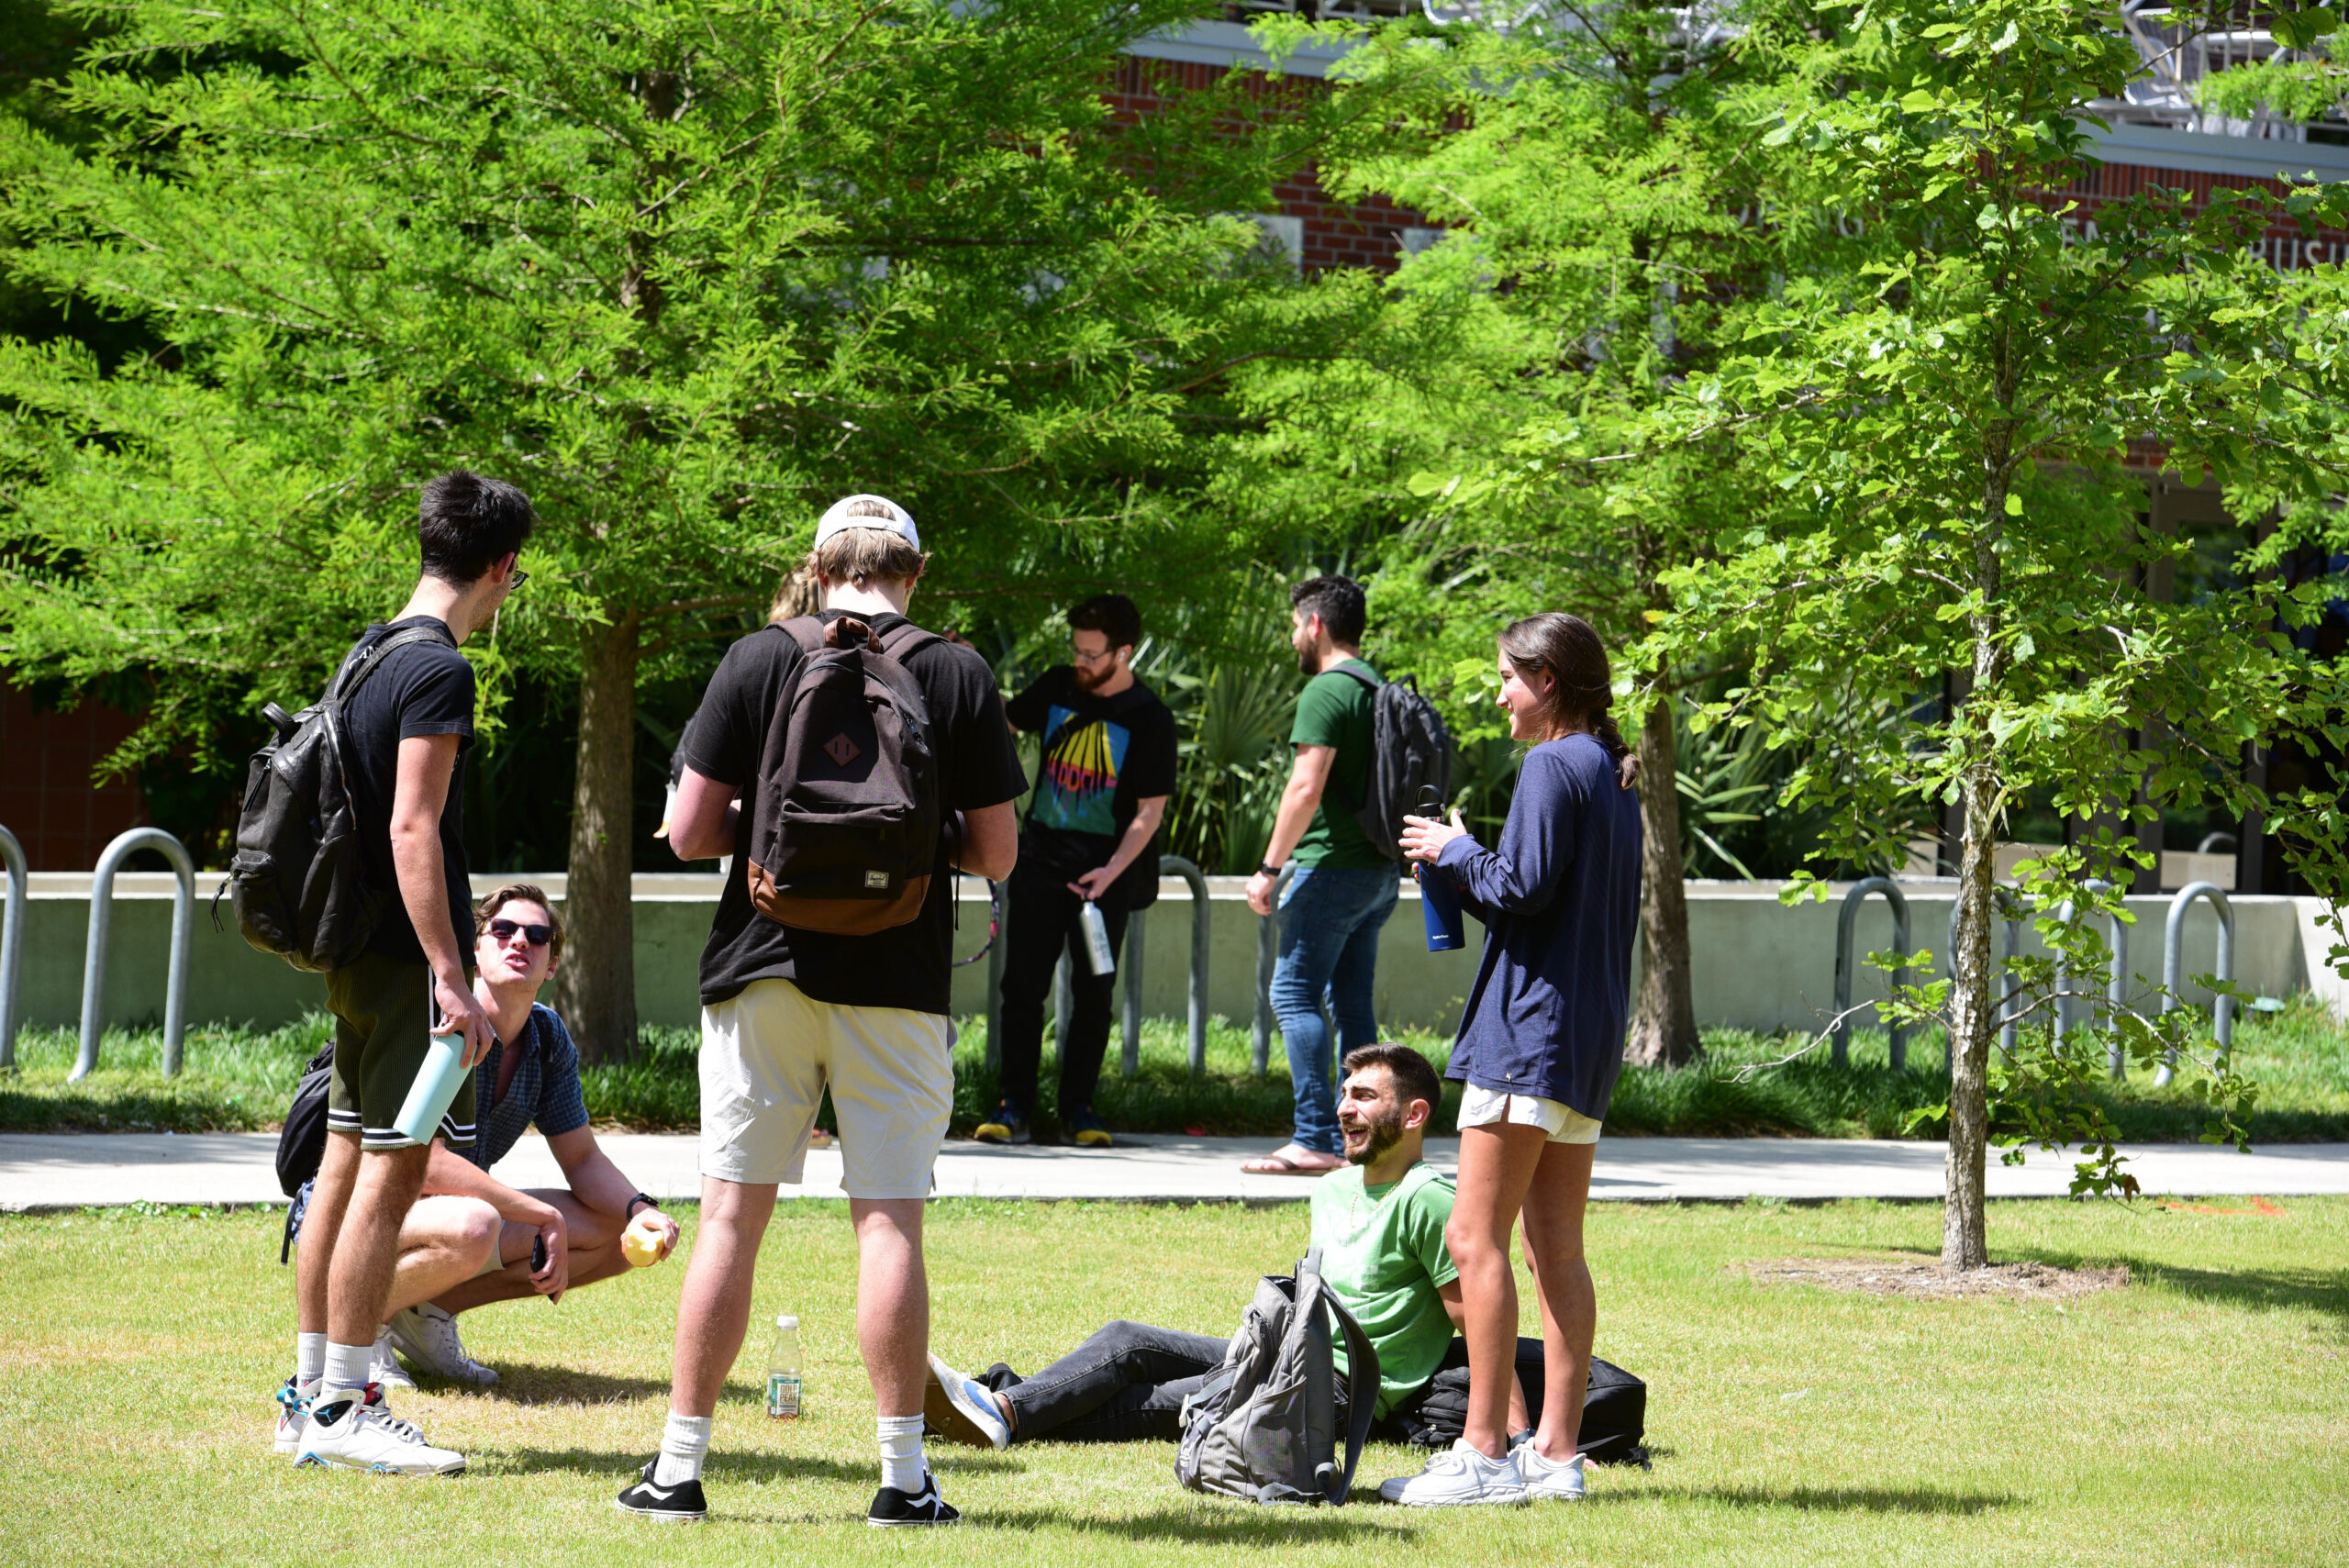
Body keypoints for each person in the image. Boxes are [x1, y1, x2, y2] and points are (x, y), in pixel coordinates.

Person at [618, 494, 1024, 1528]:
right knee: (888, 1222)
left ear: (816, 565)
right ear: (914, 575)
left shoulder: (760, 656)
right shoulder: (956, 668)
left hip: (762, 967)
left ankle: (677, 1469)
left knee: (729, 1219)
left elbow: (686, 831)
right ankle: (902, 1477)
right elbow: (997, 854)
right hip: (898, 983)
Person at [279, 470, 532, 1475]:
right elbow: (411, 823)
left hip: (350, 946)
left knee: (344, 1164)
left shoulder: (369, 652)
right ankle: (343, 1402)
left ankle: (309, 1394)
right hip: (396, 955)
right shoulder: (439, 671)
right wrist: (448, 969)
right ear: (504, 568)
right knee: (386, 1171)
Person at [925, 1045, 1531, 1451]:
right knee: (1125, 1338)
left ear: (1416, 1112)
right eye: (1345, 1092)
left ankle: (1001, 1409)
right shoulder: (1332, 1187)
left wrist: (1518, 1435)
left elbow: (1480, 1318)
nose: (1346, 1106)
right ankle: (1002, 1402)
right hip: (1285, 1353)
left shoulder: (1428, 1197)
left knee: (1155, 1403)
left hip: (1335, 1396)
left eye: (1366, 1096)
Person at [1387, 612, 1642, 1507]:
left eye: (1507, 676)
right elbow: (1542, 901)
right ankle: (1556, 1455)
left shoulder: (1550, 764)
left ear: (1548, 679)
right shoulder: (1611, 775)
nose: (1498, 693)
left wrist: (1451, 850)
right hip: (1582, 1040)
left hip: (1526, 1035)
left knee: (1472, 1237)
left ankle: (1486, 1450)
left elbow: (1521, 889)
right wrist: (1465, 860)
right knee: (1553, 1250)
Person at [366, 884, 683, 1385]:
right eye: (503, 930)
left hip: (448, 1217)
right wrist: (540, 1215)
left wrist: (642, 1211)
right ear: (475, 947)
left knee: (611, 1235)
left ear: (552, 965)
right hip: (364, 1215)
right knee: (477, 1223)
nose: (520, 942)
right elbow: (421, 1161)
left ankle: (425, 1317)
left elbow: (581, 1160)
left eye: (537, 936)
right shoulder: (441, 1020)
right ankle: (363, 1327)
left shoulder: (547, 1037)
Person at [977, 594, 1176, 1148]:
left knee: (1093, 996)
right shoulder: (1059, 685)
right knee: (1022, 990)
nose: (1081, 662)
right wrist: (967, 672)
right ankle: (1012, 1105)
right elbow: (1006, 720)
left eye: (1092, 654)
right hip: (1037, 866)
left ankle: (1079, 1111)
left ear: (1124, 652)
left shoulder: (1150, 718)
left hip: (1102, 884)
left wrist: (1110, 873)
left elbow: (1150, 812)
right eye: (1077, 650)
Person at [1242, 575, 1400, 1175]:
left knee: (1293, 992)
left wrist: (1267, 869)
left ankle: (1313, 1135)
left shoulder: (1327, 690)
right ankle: (1364, 1141)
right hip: (1378, 873)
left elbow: (1305, 787)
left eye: (1294, 626)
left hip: (1330, 867)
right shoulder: (1377, 686)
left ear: (1316, 624)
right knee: (1352, 1002)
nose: (1292, 639)